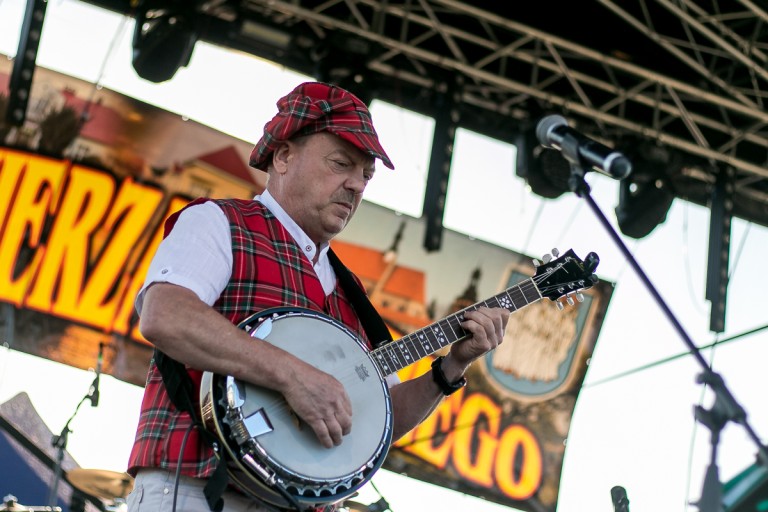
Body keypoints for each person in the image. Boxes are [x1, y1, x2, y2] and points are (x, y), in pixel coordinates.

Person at [125, 82, 510, 512]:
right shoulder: (219, 222)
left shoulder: (351, 293)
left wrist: (452, 366)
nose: (356, 185)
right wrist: (293, 376)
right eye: (341, 164)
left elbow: (381, 419)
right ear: (284, 155)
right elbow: (164, 315)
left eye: (366, 174)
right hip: (197, 489)